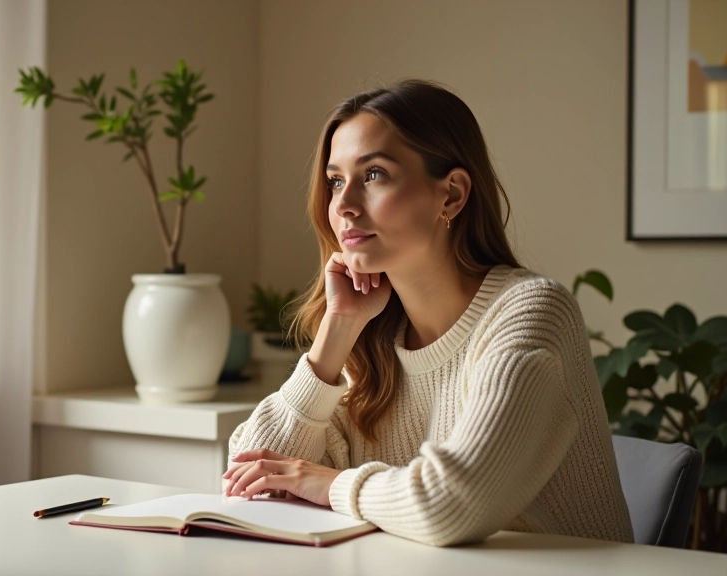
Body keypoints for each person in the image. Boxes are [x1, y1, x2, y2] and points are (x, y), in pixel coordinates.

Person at [223, 80, 634, 546]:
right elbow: (249, 476)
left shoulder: (531, 312)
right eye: (336, 181)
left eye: (374, 174)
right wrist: (338, 329)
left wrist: (326, 483)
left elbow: (452, 503)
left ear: (452, 195)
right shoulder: (371, 337)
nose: (343, 205)